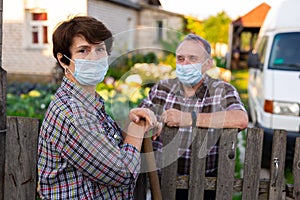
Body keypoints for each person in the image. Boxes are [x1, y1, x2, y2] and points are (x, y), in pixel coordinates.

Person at [37, 16, 160, 199]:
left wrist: (130, 122)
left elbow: (110, 151)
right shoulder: (72, 114)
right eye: (83, 51)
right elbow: (122, 172)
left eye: (100, 49)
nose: (94, 58)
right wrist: (136, 129)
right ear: (63, 60)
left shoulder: (88, 102)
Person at [137, 33, 249, 199]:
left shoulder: (222, 90)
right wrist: (148, 120)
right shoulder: (162, 88)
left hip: (205, 184)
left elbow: (240, 119)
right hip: (161, 183)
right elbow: (138, 118)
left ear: (208, 64)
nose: (185, 64)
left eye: (192, 59)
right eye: (180, 59)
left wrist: (189, 118)